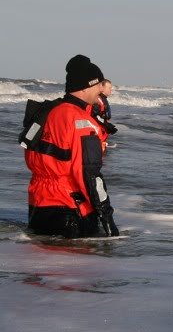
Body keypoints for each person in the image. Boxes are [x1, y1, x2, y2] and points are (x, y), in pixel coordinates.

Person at [22, 55, 119, 238]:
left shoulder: (47, 112)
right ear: (86, 86)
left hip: (37, 205)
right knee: (76, 265)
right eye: (98, 84)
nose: (101, 89)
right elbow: (89, 175)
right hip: (70, 209)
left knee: (41, 262)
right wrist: (107, 219)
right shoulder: (81, 122)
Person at [91, 79, 118, 153]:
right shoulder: (98, 100)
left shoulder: (103, 99)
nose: (111, 90)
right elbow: (93, 116)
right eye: (109, 88)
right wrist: (107, 125)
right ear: (102, 88)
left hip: (103, 131)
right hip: (98, 131)